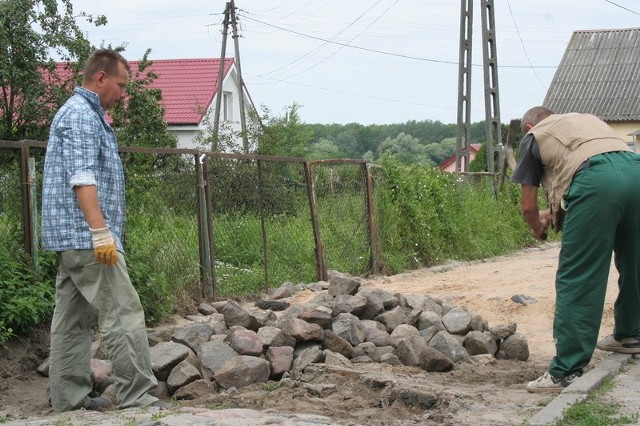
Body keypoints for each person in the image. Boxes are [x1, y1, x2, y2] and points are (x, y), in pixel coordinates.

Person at [42, 49, 169, 411]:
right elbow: (82, 177)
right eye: (121, 84)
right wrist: (100, 232)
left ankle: (69, 400)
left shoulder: (82, 114)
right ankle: (137, 396)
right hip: (88, 237)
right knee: (123, 312)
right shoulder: (81, 115)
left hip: (71, 237)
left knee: (72, 320)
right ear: (100, 79)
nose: (123, 93)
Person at [511, 106, 640, 393]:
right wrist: (552, 214)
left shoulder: (533, 137)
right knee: (635, 261)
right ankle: (630, 334)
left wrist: (536, 227)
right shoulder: (586, 121)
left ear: (528, 126)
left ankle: (566, 371)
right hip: (636, 173)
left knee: (579, 274)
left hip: (595, 181)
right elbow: (588, 173)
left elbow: (528, 206)